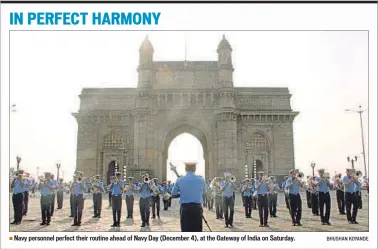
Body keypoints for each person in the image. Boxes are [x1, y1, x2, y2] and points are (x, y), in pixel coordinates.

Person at [171, 162, 206, 232]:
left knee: (185, 230)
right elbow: (205, 192)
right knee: (197, 230)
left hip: (185, 208)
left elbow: (173, 194)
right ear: (195, 169)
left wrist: (182, 193)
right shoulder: (201, 179)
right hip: (197, 208)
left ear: (185, 169)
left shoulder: (180, 180)